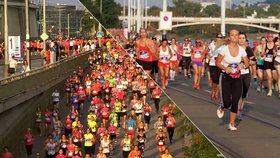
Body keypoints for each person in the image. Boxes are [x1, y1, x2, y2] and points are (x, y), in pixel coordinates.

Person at [216, 29, 249, 131]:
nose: (235, 37)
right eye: (233, 35)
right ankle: (222, 107)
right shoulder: (224, 49)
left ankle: (232, 123)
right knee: (227, 102)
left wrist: (242, 65)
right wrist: (226, 68)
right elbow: (217, 62)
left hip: (237, 78)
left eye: (236, 35)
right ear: (229, 37)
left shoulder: (242, 50)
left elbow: (247, 63)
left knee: (235, 101)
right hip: (226, 78)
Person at [238, 33, 254, 119]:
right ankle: (237, 111)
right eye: (240, 38)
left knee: (244, 93)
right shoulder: (234, 49)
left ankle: (240, 109)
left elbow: (254, 62)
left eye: (243, 38)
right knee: (238, 92)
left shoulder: (248, 49)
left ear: (245, 40)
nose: (241, 40)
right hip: (236, 74)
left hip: (246, 73)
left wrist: (246, 62)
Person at [207, 33, 225, 101]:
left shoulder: (223, 45)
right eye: (218, 37)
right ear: (216, 38)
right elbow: (207, 51)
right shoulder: (212, 44)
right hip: (212, 64)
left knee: (218, 80)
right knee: (214, 79)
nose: (219, 39)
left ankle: (216, 94)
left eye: (221, 37)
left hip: (220, 64)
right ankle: (213, 92)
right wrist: (210, 56)